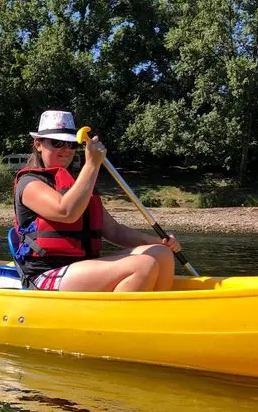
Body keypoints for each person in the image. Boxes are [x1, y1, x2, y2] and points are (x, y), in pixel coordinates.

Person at [13, 110, 181, 292]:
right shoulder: (29, 183)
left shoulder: (79, 184)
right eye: (57, 143)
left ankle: (156, 315)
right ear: (38, 144)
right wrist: (92, 165)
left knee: (161, 254)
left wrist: (158, 241)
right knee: (143, 265)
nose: (66, 149)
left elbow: (114, 231)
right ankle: (119, 319)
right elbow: (66, 212)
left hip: (83, 267)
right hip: (45, 274)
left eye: (70, 144)